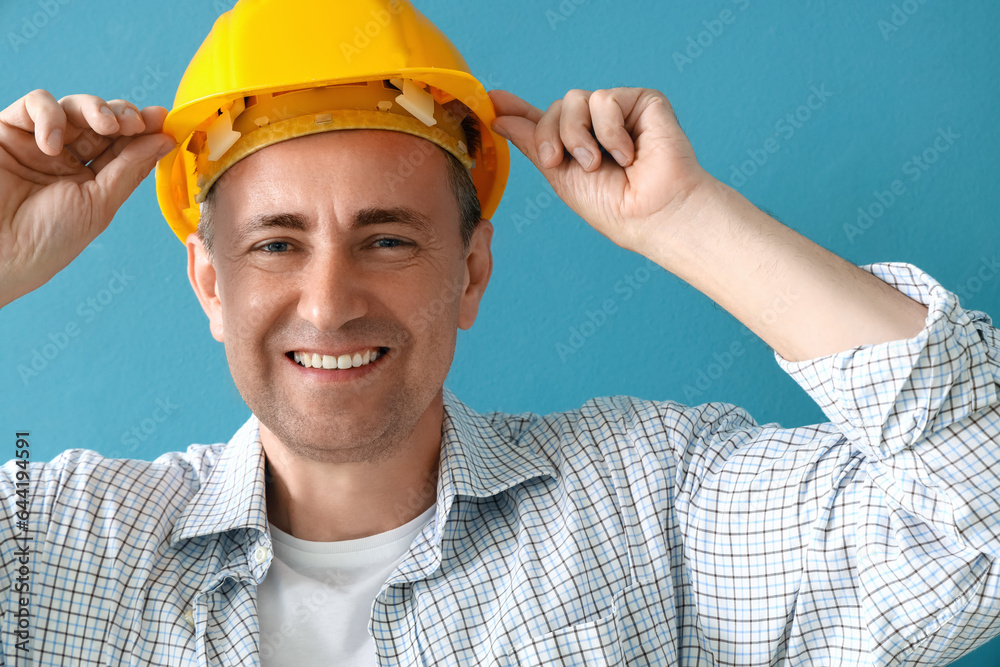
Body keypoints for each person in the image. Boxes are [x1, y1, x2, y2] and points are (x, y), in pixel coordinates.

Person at [1, 0, 998, 664]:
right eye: (274, 245)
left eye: (386, 239)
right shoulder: (59, 544)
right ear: (209, 283)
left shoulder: (648, 506)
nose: (329, 301)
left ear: (470, 272)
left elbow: (976, 510)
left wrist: (683, 220)